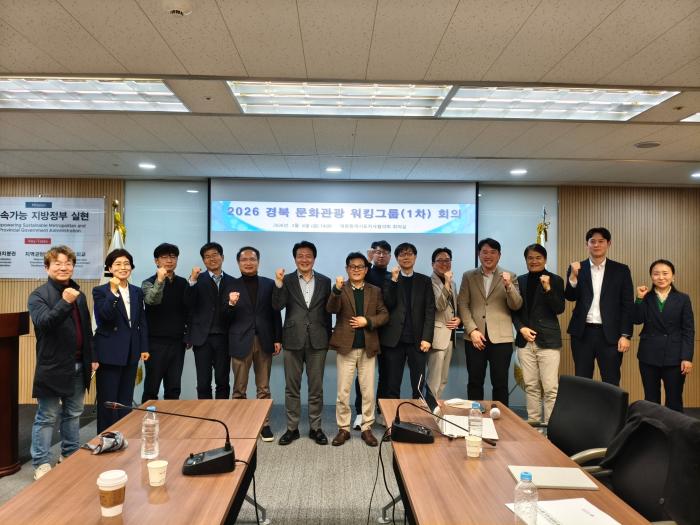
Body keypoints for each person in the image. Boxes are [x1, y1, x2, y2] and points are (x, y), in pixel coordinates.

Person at [28, 246, 98, 480]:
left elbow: (87, 330)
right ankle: (41, 463)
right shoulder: (38, 296)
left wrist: (92, 357)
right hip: (53, 366)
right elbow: (45, 324)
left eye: (68, 263)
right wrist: (65, 302)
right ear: (47, 267)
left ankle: (69, 455)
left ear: (73, 267)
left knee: (74, 413)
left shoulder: (79, 295)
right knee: (47, 416)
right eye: (57, 263)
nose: (63, 267)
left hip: (79, 364)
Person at [272, 241, 332, 446]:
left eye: (308, 256)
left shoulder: (325, 281)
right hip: (292, 339)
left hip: (318, 340)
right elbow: (277, 305)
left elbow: (327, 312)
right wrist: (278, 284)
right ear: (295, 258)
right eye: (300, 256)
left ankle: (316, 428)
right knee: (292, 388)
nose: (304, 259)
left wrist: (328, 337)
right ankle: (292, 428)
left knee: (316, 388)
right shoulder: (286, 280)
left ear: (314, 258)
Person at [327, 252, 389, 447]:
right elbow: (331, 309)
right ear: (347, 269)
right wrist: (336, 290)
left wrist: (367, 321)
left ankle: (366, 428)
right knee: (343, 392)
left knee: (368, 392)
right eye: (352, 266)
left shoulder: (375, 291)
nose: (356, 269)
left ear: (366, 269)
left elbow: (384, 315)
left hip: (368, 348)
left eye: (360, 266)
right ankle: (343, 429)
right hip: (346, 347)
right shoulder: (340, 288)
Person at [222, 246, 282, 442]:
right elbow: (224, 318)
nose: (248, 262)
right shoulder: (230, 284)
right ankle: (239, 424)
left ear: (258, 261)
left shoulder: (268, 284)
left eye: (252, 259)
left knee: (263, 388)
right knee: (239, 388)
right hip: (240, 341)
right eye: (244, 259)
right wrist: (231, 304)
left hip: (264, 340)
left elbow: (275, 313)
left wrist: (277, 338)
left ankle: (264, 424)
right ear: (238, 263)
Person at [565, 227, 633, 386]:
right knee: (582, 380)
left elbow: (627, 304)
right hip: (582, 333)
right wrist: (573, 277)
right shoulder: (577, 268)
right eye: (592, 241)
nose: (596, 245)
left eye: (601, 241)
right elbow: (570, 296)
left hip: (610, 335)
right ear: (587, 244)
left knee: (611, 380)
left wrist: (625, 335)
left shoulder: (621, 270)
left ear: (608, 244)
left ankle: (611, 405)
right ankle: (585, 404)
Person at [457, 238, 522, 406]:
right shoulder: (468, 276)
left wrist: (508, 286)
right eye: (484, 252)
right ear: (478, 254)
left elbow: (516, 305)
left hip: (501, 339)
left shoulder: (510, 276)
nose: (488, 256)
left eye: (493, 252)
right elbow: (463, 304)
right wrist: (472, 330)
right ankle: (475, 414)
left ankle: (501, 417)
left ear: (499, 255)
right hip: (474, 337)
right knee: (475, 381)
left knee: (500, 383)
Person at [93, 249, 149, 433]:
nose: (123, 267)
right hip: (109, 352)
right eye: (117, 264)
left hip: (131, 351)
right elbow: (105, 316)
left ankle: (123, 435)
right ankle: (106, 437)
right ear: (110, 268)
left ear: (131, 267)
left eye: (126, 263)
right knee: (108, 401)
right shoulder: (100, 291)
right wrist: (113, 291)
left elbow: (141, 321)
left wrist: (144, 347)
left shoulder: (137, 291)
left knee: (125, 400)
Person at [512, 244, 565, 423]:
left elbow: (559, 308)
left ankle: (550, 427)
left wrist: (548, 288)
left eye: (538, 258)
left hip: (548, 340)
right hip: (525, 340)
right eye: (530, 258)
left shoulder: (555, 280)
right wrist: (521, 328)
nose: (534, 261)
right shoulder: (519, 280)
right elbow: (514, 309)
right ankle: (533, 424)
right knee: (531, 386)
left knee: (550, 388)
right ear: (526, 260)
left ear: (545, 259)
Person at [634, 259, 694, 412]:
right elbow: (636, 319)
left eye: (665, 273)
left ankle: (675, 427)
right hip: (648, 355)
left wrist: (687, 357)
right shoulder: (645, 297)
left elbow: (688, 330)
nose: (661, 277)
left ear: (673, 276)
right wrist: (639, 298)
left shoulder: (683, 298)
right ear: (651, 276)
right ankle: (651, 426)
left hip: (675, 357)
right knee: (651, 399)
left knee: (674, 400)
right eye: (656, 274)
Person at [379, 242, 435, 400]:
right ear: (396, 258)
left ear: (415, 257)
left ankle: (418, 414)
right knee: (392, 385)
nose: (406, 257)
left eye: (409, 254)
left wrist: (427, 338)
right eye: (402, 254)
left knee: (418, 386)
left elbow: (430, 311)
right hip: (394, 341)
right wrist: (393, 281)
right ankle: (392, 415)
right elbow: (388, 304)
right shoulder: (388, 279)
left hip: (418, 341)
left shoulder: (424, 281)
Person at [185, 242, 234, 399]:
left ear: (222, 257)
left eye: (215, 255)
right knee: (203, 382)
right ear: (203, 261)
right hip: (202, 338)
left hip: (224, 338)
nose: (211, 259)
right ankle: (204, 414)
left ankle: (222, 413)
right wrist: (192, 281)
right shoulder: (196, 280)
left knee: (223, 381)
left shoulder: (233, 281)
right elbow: (187, 305)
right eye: (207, 257)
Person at [141, 243, 188, 402]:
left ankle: (171, 418)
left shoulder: (183, 283)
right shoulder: (148, 282)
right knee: (152, 387)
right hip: (155, 343)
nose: (169, 260)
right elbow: (152, 300)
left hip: (177, 342)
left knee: (174, 388)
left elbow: (188, 309)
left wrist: (188, 335)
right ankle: (147, 417)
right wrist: (160, 281)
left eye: (173, 257)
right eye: (164, 257)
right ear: (156, 261)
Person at [358, 240, 391, 428]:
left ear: (390, 256)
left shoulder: (392, 276)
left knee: (385, 375)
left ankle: (380, 410)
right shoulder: (365, 272)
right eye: (378, 252)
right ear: (372, 253)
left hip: (386, 333)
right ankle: (360, 412)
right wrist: (367, 262)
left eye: (385, 252)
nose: (381, 255)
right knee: (362, 376)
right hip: (366, 331)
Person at [427, 247, 460, 399]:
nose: (444, 263)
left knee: (443, 379)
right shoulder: (429, 282)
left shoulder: (453, 283)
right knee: (434, 379)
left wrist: (459, 319)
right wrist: (446, 283)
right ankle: (430, 408)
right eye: (440, 260)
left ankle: (436, 406)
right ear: (433, 264)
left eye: (447, 260)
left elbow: (455, 308)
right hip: (437, 336)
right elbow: (439, 306)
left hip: (450, 336)